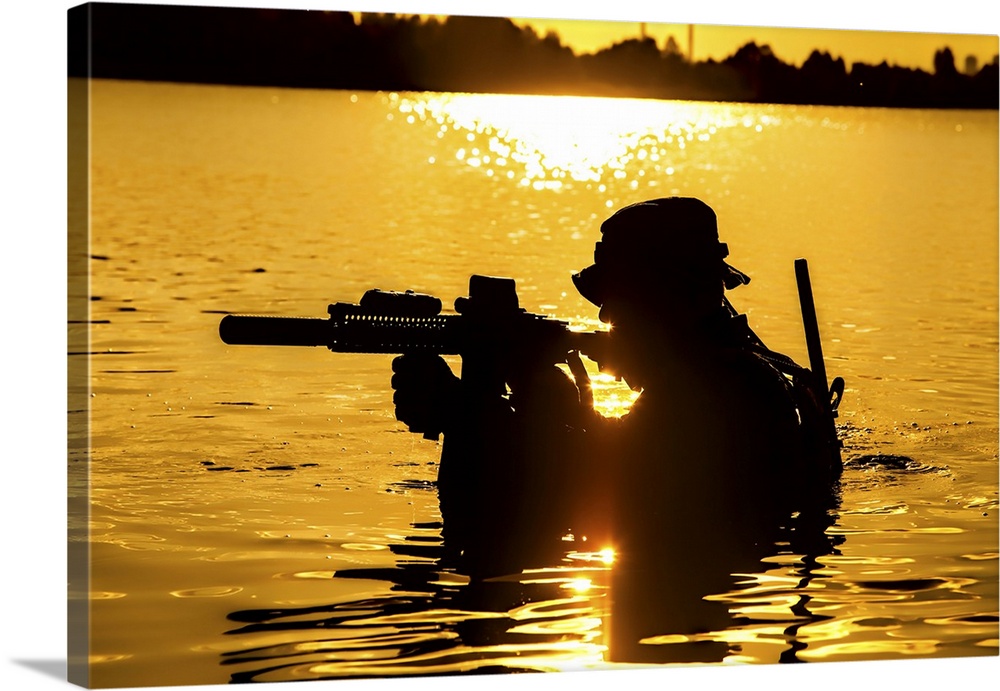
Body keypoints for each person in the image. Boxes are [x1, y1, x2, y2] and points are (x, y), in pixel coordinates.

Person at [390, 197, 842, 661]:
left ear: (662, 300)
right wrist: (540, 394)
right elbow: (631, 455)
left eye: (617, 302)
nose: (605, 319)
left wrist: (465, 412)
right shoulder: (736, 373)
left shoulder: (717, 386)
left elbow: (599, 485)